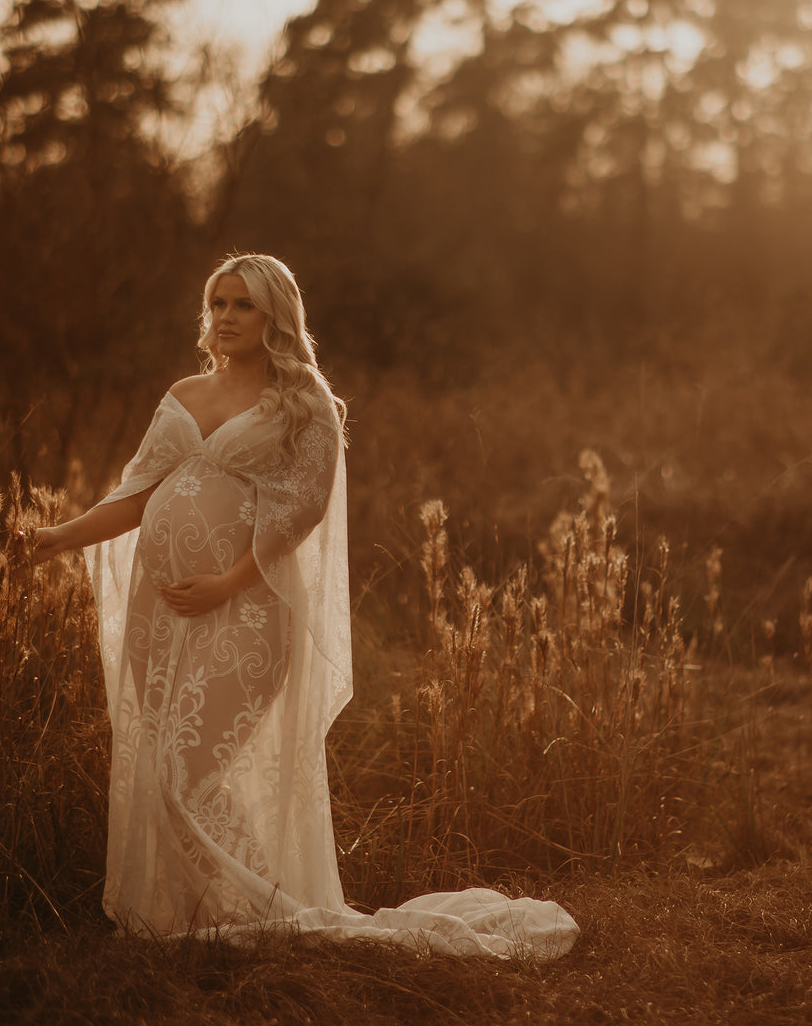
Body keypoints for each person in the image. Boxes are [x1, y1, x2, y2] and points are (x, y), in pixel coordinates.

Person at [29, 254, 578, 958]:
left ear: (274, 317)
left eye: (243, 306)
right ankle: (212, 912)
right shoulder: (183, 393)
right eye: (218, 303)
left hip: (245, 615)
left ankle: (268, 913)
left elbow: (300, 513)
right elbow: (134, 495)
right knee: (165, 769)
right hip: (159, 613)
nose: (225, 317)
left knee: (182, 774)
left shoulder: (303, 403)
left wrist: (224, 584)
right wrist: (53, 537)